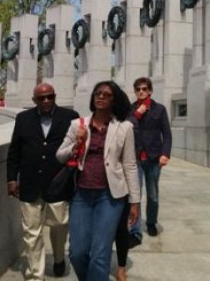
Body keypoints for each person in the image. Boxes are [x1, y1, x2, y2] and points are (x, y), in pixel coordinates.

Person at [57, 81, 140, 281]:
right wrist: (77, 143)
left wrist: (135, 201)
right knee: (77, 253)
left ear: (114, 100)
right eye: (97, 93)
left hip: (110, 197)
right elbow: (60, 155)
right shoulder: (78, 125)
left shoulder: (124, 127)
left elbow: (129, 165)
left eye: (107, 94)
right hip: (81, 196)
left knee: (100, 255)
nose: (100, 97)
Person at [7, 83, 79, 280]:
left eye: (50, 97)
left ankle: (58, 258)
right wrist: (12, 178)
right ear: (34, 101)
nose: (46, 101)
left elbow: (78, 147)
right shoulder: (23, 119)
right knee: (32, 232)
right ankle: (35, 276)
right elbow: (14, 151)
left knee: (59, 225)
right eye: (41, 98)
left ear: (55, 97)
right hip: (30, 184)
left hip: (58, 184)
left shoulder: (70, 118)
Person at [127, 77, 172, 243]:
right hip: (135, 159)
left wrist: (165, 153)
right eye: (138, 89)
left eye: (144, 89)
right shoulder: (130, 110)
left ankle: (151, 222)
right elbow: (125, 126)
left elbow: (166, 134)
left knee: (152, 195)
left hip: (154, 159)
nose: (141, 91)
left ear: (150, 91)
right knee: (135, 195)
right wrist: (138, 114)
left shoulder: (160, 109)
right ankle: (135, 231)